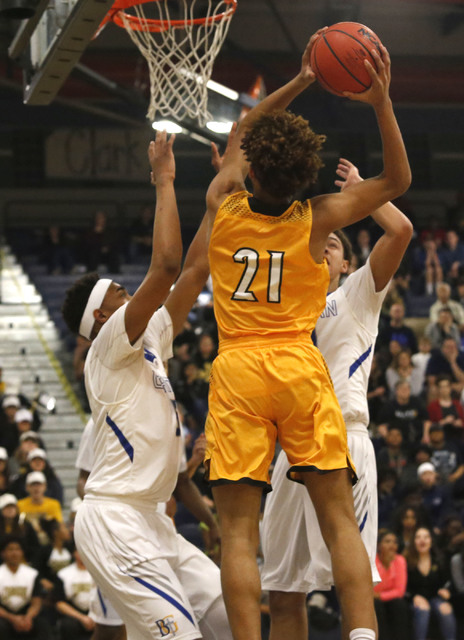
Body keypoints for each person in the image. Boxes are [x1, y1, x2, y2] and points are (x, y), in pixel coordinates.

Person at [204, 26, 411, 640]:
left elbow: (242, 133)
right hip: (298, 367)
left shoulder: (223, 201)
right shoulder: (317, 217)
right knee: (340, 520)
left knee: (239, 535)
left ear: (253, 169)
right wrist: (380, 102)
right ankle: (363, 633)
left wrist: (297, 80)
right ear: (303, 177)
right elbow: (396, 183)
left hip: (239, 368)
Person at [61, 132, 228, 640]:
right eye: (119, 291)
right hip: (116, 522)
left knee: (228, 612)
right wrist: (165, 178)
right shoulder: (110, 343)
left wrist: (222, 192)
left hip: (154, 521)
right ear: (102, 315)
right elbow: (168, 265)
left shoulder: (149, 334)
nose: (129, 291)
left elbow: (197, 268)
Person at [259, 154, 412, 640]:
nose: (323, 249)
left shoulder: (356, 294)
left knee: (353, 583)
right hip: (289, 452)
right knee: (282, 588)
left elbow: (401, 231)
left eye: (333, 245)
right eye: (316, 244)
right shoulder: (284, 309)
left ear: (346, 263)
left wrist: (363, 191)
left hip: (343, 438)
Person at [75, 416, 230, 640]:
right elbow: (83, 480)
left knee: (218, 610)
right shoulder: (103, 418)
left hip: (159, 531)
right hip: (117, 533)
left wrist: (212, 523)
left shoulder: (169, 415)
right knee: (110, 630)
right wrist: (102, 509)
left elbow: (182, 481)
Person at [405, 526, 457, 640]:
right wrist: (414, 597)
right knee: (423, 609)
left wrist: (447, 590)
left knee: (445, 608)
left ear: (431, 541)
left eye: (426, 537)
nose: (422, 540)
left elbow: (448, 582)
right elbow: (404, 588)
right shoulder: (406, 561)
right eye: (418, 537)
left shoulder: (439, 559)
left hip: (435, 598)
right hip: (413, 599)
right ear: (413, 542)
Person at [0, 536, 50, 639]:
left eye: (17, 549)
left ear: (22, 552)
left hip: (26, 613)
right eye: (10, 549)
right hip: (4, 616)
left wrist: (28, 617)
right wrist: (13, 618)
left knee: (42, 624)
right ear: (3, 553)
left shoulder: (32, 574)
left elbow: (37, 601)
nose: (14, 553)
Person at [373, 529, 410, 640]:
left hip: (388, 598)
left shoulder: (400, 560)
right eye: (387, 541)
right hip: (375, 601)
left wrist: (380, 595)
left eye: (395, 542)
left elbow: (399, 591)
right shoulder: (372, 561)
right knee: (376, 605)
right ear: (379, 545)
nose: (392, 545)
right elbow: (370, 589)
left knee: (399, 604)